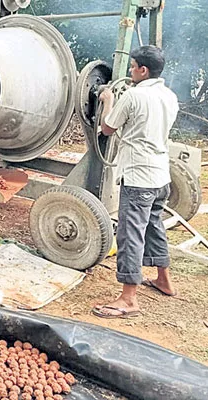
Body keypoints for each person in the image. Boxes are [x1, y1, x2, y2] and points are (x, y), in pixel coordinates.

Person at [93, 45, 179, 319]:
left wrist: (107, 99)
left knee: (130, 233)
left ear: (144, 70)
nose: (130, 71)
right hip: (160, 176)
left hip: (138, 177)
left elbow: (107, 128)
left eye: (132, 67)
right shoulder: (169, 96)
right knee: (154, 226)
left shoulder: (133, 96)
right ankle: (163, 279)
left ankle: (128, 299)